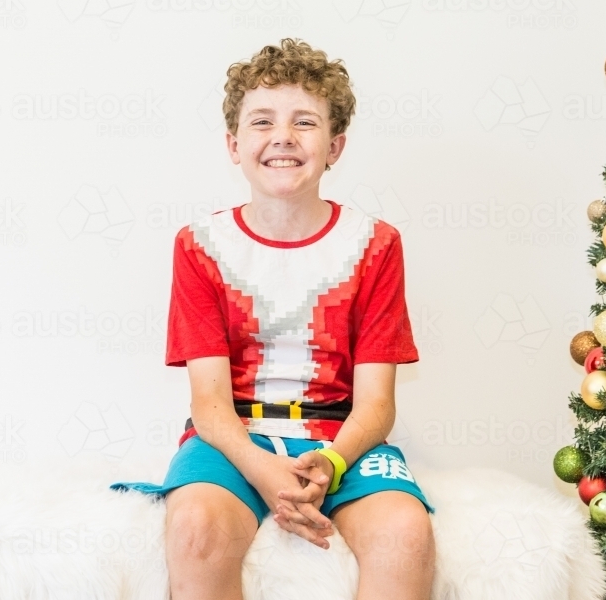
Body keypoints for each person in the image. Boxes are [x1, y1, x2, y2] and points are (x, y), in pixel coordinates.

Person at [110, 38, 436, 600]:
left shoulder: (376, 244)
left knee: (407, 535)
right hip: (232, 437)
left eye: (304, 122)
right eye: (262, 121)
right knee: (195, 530)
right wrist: (263, 471)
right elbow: (208, 402)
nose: (283, 136)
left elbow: (378, 403)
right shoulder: (199, 246)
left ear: (335, 146)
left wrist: (331, 464)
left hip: (340, 437)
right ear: (234, 145)